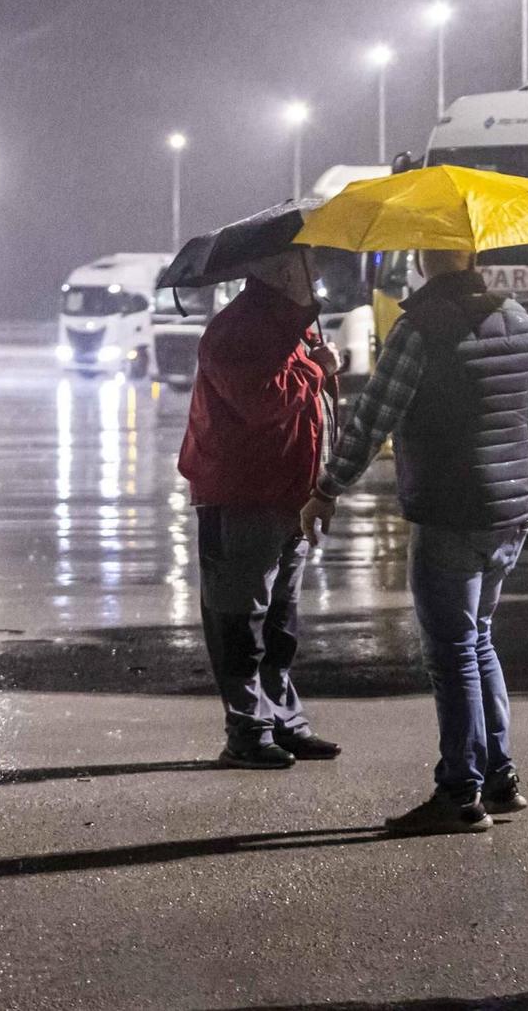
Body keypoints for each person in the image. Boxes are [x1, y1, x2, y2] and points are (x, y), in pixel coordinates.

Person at [301, 248, 528, 836]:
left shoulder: (418, 331)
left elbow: (372, 420)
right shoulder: (518, 316)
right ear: (472, 252)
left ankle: (460, 793)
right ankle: (499, 778)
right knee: (479, 640)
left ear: (422, 257)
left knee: (454, 652)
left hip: (450, 508)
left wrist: (327, 488)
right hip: (510, 508)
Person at [177, 251, 343, 769]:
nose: (317, 273)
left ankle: (283, 721)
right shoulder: (238, 331)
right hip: (242, 495)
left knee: (279, 624)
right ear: (279, 272)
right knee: (239, 620)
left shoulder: (291, 326)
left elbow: (315, 409)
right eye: (306, 264)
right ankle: (247, 729)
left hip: (289, 493)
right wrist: (318, 369)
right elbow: (262, 401)